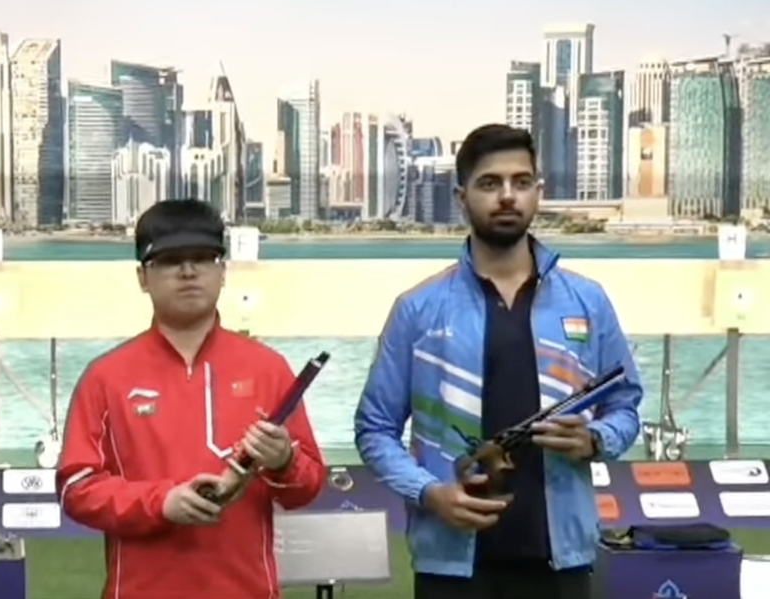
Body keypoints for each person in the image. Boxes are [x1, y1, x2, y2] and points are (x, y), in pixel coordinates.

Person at [353, 124, 643, 599]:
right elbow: (375, 429)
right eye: (490, 183)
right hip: (451, 568)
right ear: (462, 196)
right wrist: (429, 493)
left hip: (562, 562)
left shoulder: (588, 301)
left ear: (537, 192)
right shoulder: (418, 308)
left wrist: (595, 439)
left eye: (521, 182)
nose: (507, 196)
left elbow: (627, 406)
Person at [56, 199, 326, 599]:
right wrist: (160, 502)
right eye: (169, 260)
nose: (187, 271)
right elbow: (76, 489)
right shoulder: (106, 377)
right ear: (142, 277)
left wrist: (284, 462)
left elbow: (306, 489)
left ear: (223, 271)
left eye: (203, 257)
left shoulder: (268, 369)